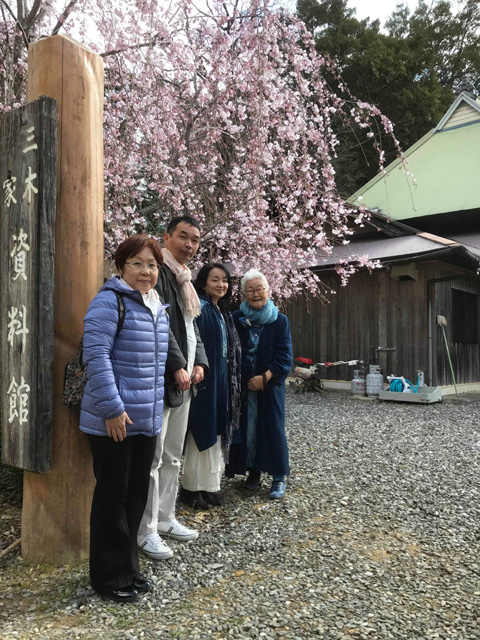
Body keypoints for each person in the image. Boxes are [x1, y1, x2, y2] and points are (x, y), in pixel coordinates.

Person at [79, 234, 169, 603]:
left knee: (135, 496)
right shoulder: (109, 302)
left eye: (152, 265)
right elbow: (95, 358)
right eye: (137, 264)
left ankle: (128, 568)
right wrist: (114, 410)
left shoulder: (155, 305)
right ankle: (107, 578)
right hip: (113, 419)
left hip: (145, 420)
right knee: (112, 498)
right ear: (121, 268)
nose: (145, 271)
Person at [138, 216, 209, 560]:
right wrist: (178, 364)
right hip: (164, 380)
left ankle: (166, 518)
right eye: (183, 237)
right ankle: (145, 529)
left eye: (195, 240)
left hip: (185, 383)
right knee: (152, 457)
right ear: (166, 237)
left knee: (172, 456)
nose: (189, 245)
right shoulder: (158, 273)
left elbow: (193, 328)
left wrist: (200, 363)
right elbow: (160, 324)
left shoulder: (185, 280)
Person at [226, 269, 293, 499]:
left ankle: (278, 476)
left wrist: (264, 377)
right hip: (244, 385)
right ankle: (252, 471)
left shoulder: (279, 320)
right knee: (248, 429)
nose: (255, 294)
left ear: (268, 291)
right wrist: (244, 378)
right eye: (250, 290)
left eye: (259, 289)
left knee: (273, 428)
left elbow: (285, 356)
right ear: (243, 294)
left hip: (269, 385)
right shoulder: (236, 319)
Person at [180, 264, 242, 509]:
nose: (221, 284)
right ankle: (190, 488)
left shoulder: (221, 309)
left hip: (221, 378)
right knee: (202, 431)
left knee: (216, 432)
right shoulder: (202, 308)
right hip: (205, 379)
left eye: (224, 280)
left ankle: (208, 486)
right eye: (214, 279)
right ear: (203, 283)